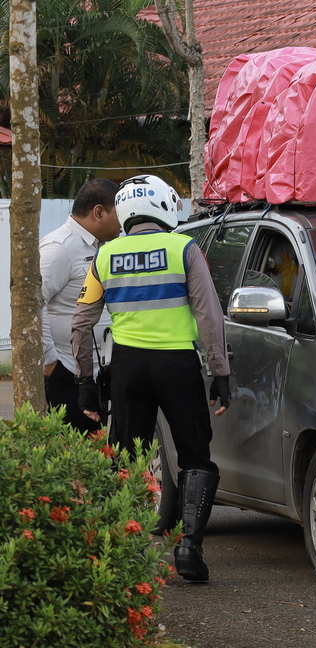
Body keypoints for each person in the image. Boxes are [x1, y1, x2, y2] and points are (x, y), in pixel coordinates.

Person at [70, 174, 231, 583]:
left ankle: (122, 552)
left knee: (125, 458)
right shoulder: (184, 248)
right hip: (177, 364)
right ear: (165, 206)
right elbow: (209, 316)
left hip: (127, 370)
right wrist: (220, 372)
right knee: (195, 456)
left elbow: (81, 322)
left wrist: (85, 382)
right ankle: (189, 550)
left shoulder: (105, 255)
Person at [40, 178, 120, 432]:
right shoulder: (59, 249)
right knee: (72, 459)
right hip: (66, 373)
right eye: (120, 213)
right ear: (99, 212)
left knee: (97, 458)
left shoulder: (102, 248)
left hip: (95, 373)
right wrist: (51, 362)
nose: (124, 221)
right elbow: (31, 306)